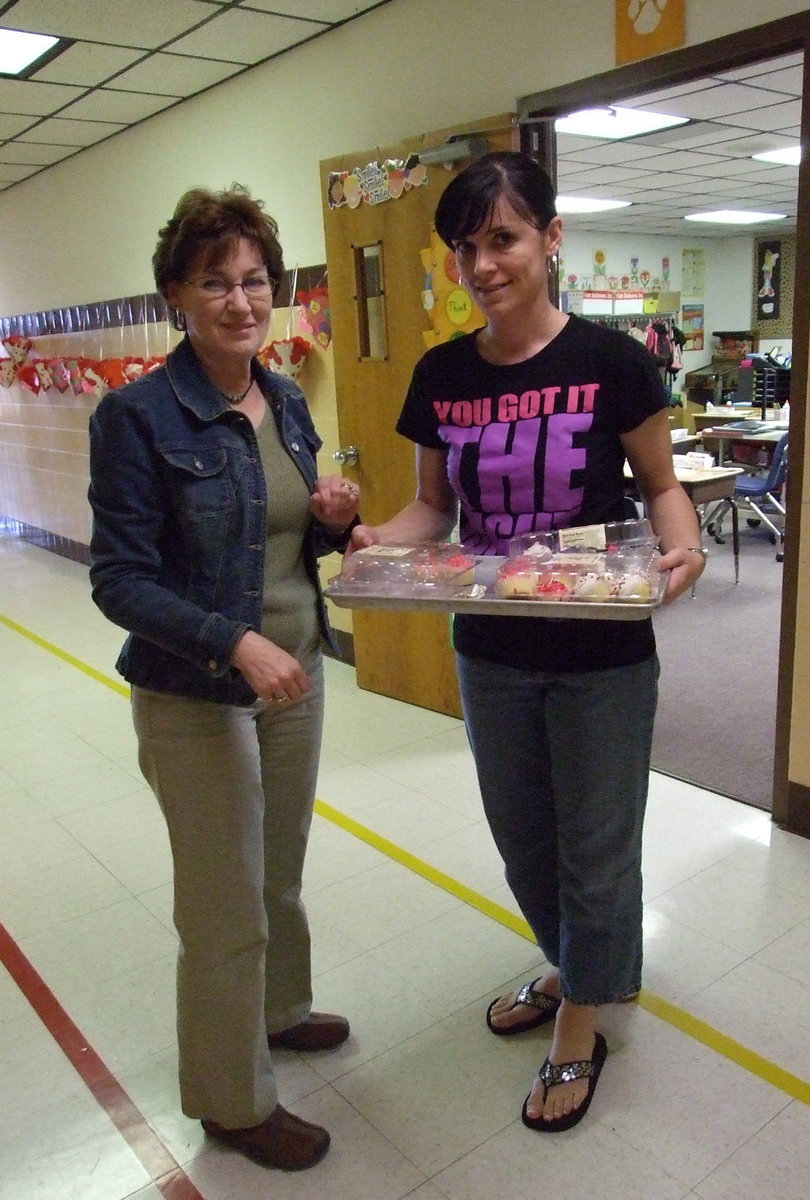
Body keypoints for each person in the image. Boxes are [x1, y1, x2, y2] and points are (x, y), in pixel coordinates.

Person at [349, 151, 706, 1133]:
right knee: (524, 844)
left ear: (550, 240)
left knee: (596, 847)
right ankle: (577, 967)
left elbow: (662, 487)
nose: (483, 263)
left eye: (503, 238)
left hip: (601, 656)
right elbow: (432, 509)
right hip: (493, 651)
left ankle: (578, 1023)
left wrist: (684, 547)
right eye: (465, 246)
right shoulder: (442, 375)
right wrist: (382, 540)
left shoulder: (614, 362)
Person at [88, 185, 359, 1171]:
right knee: (222, 901)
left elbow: (290, 537)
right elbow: (117, 578)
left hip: (298, 676)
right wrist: (232, 642)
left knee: (277, 873)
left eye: (255, 281)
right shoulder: (137, 416)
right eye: (216, 282)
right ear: (177, 294)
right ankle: (231, 1101)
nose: (241, 301)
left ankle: (280, 1012)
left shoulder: (283, 397)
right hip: (197, 687)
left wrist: (333, 515)